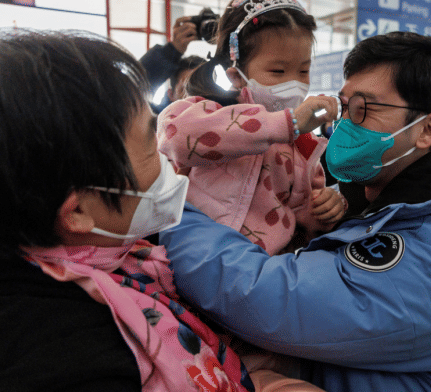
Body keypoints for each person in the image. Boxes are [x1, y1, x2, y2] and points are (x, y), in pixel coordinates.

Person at [160, 31, 431, 392]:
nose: (347, 125)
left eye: (364, 109)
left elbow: (270, 299)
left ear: (428, 129)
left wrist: (172, 207)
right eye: (345, 107)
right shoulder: (376, 206)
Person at [0, 30, 328, 392]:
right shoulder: (73, 360)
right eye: (147, 144)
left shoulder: (126, 256)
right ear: (77, 213)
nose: (166, 160)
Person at [158, 0, 345, 256]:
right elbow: (177, 139)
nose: (294, 83)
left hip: (256, 269)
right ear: (236, 75)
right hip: (188, 252)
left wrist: (324, 211)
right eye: (278, 71)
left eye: (303, 70)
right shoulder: (208, 113)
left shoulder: (303, 147)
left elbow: (301, 218)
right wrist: (285, 124)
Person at [140, 16, 198, 111]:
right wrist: (171, 51)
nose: (195, 98)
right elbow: (130, 94)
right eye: (185, 90)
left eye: (202, 87)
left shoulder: (224, 116)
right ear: (171, 94)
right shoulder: (156, 123)